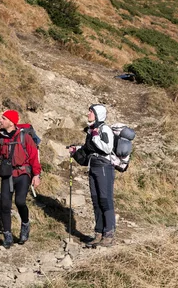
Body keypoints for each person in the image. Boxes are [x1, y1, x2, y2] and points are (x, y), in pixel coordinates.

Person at [0, 110, 41, 248]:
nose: (0, 121)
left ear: (11, 121)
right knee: (5, 205)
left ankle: (25, 224)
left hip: (23, 174)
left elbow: (33, 156)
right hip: (7, 175)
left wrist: (36, 175)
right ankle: (7, 236)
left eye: (3, 118)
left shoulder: (24, 137)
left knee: (20, 201)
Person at [70, 104, 115, 247]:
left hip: (103, 167)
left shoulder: (104, 129)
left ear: (98, 114)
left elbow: (107, 148)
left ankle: (109, 235)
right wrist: (76, 149)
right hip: (93, 166)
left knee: (105, 200)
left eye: (91, 111)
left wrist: (95, 136)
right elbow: (89, 149)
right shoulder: (92, 130)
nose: (88, 113)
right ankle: (98, 233)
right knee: (96, 201)